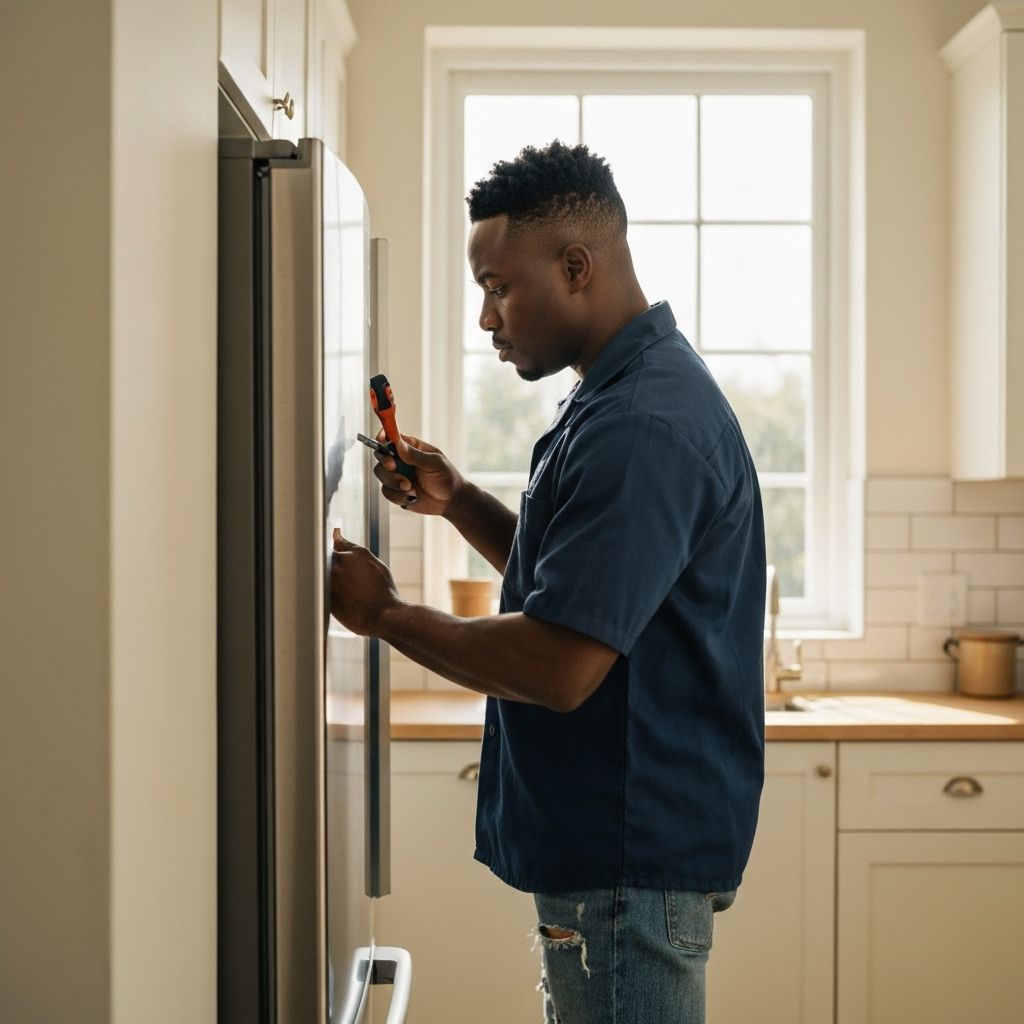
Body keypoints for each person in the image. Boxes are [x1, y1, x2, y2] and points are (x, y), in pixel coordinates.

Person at [330, 139, 766, 1024]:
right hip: (619, 859)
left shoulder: (642, 422)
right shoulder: (620, 394)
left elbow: (561, 663)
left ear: (575, 267)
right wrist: (461, 504)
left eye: (497, 287)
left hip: (626, 862)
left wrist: (384, 615)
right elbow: (584, 581)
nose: (487, 318)